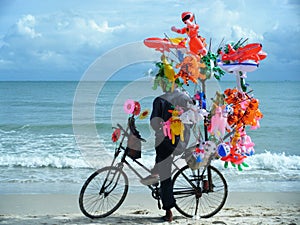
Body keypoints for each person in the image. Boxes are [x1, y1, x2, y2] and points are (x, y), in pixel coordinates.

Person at [141, 77, 193, 222]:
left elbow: (154, 123)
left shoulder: (160, 100)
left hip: (166, 143)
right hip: (182, 141)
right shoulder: (186, 97)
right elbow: (193, 119)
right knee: (161, 165)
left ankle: (169, 211)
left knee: (165, 175)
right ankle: (154, 173)